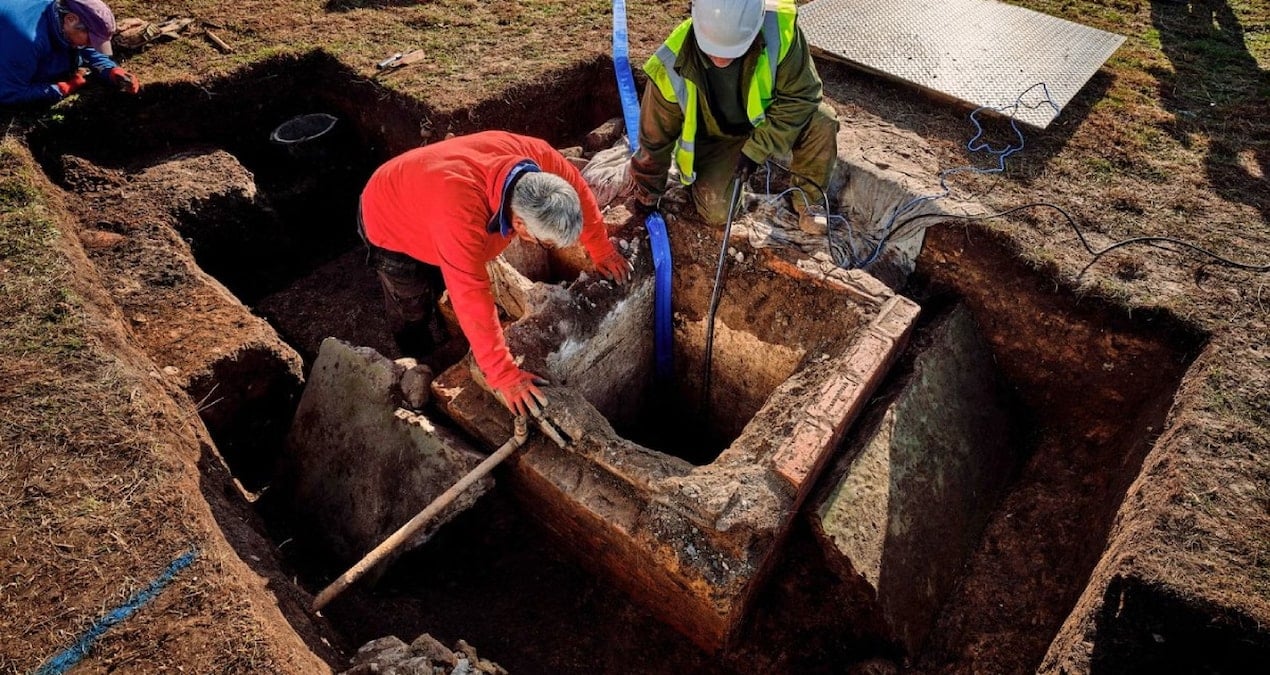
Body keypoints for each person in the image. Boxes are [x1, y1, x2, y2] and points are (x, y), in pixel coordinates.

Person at [358, 130, 634, 417]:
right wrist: (502, 374)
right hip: (387, 217)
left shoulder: (539, 158)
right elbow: (471, 293)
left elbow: (580, 191)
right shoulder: (461, 216)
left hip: (425, 195)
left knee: (444, 280)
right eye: (545, 243)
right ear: (519, 223)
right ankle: (418, 353)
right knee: (411, 301)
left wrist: (602, 250)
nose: (546, 247)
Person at [628, 0, 839, 225]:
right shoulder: (670, 63)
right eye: (712, 51)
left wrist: (756, 149)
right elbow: (655, 137)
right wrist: (647, 194)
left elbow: (803, 96)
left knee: (822, 120)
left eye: (734, 50)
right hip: (717, 139)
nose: (720, 59)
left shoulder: (780, 29)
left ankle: (809, 202)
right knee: (718, 213)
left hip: (767, 119)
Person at [0, 0, 140, 106]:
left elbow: (84, 46)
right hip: (11, 45)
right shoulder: (28, 41)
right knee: (45, 71)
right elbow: (8, 91)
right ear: (70, 19)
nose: (92, 45)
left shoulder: (62, 13)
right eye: (91, 39)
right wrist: (63, 88)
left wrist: (110, 70)